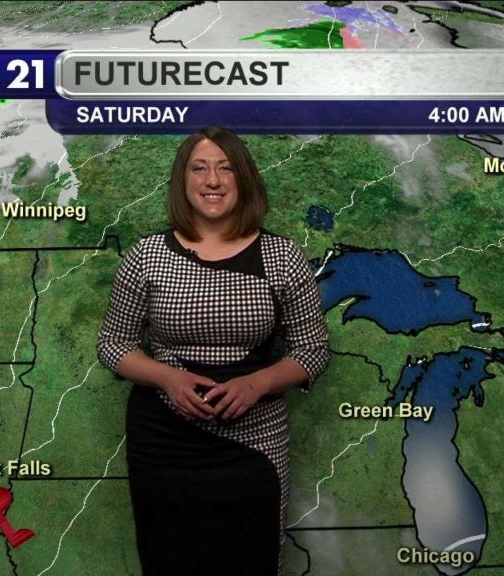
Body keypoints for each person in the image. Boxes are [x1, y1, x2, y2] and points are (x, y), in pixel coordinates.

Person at [96, 126, 330, 576]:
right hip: (163, 445)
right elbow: (113, 344)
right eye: (199, 168)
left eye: (225, 168)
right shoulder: (146, 256)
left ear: (244, 178)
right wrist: (168, 378)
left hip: (254, 445)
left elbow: (313, 349)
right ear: (182, 181)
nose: (213, 181)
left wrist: (257, 384)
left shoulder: (282, 257)